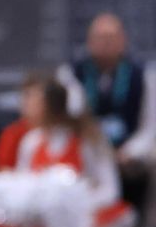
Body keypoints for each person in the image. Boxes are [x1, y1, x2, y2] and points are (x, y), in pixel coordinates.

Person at [0, 78, 153, 227]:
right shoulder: (31, 141)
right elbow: (25, 188)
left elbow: (110, 190)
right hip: (45, 226)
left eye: (31, 99)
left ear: (52, 104)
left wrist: (73, 208)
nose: (24, 106)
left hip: (88, 219)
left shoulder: (89, 139)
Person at [59, 12, 156, 212]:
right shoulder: (70, 75)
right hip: (87, 150)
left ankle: (148, 225)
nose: (105, 43)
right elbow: (66, 122)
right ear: (89, 41)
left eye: (111, 38)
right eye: (100, 38)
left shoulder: (143, 75)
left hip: (128, 150)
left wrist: (130, 151)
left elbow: (151, 125)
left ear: (123, 41)